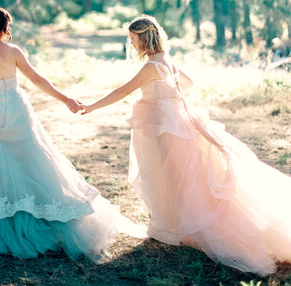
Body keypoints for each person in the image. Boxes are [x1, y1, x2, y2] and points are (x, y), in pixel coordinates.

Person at [0, 6, 144, 261]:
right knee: (33, 162)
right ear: (2, 27)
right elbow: (38, 80)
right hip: (18, 112)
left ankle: (3, 219)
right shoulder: (13, 51)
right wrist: (65, 99)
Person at [80, 15, 291, 276]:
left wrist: (92, 107)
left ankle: (179, 227)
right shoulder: (166, 59)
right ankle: (175, 226)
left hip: (167, 130)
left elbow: (122, 91)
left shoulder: (149, 67)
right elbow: (187, 82)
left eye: (132, 37)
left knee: (172, 178)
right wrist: (166, 98)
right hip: (178, 124)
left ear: (142, 37)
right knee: (186, 177)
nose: (130, 42)